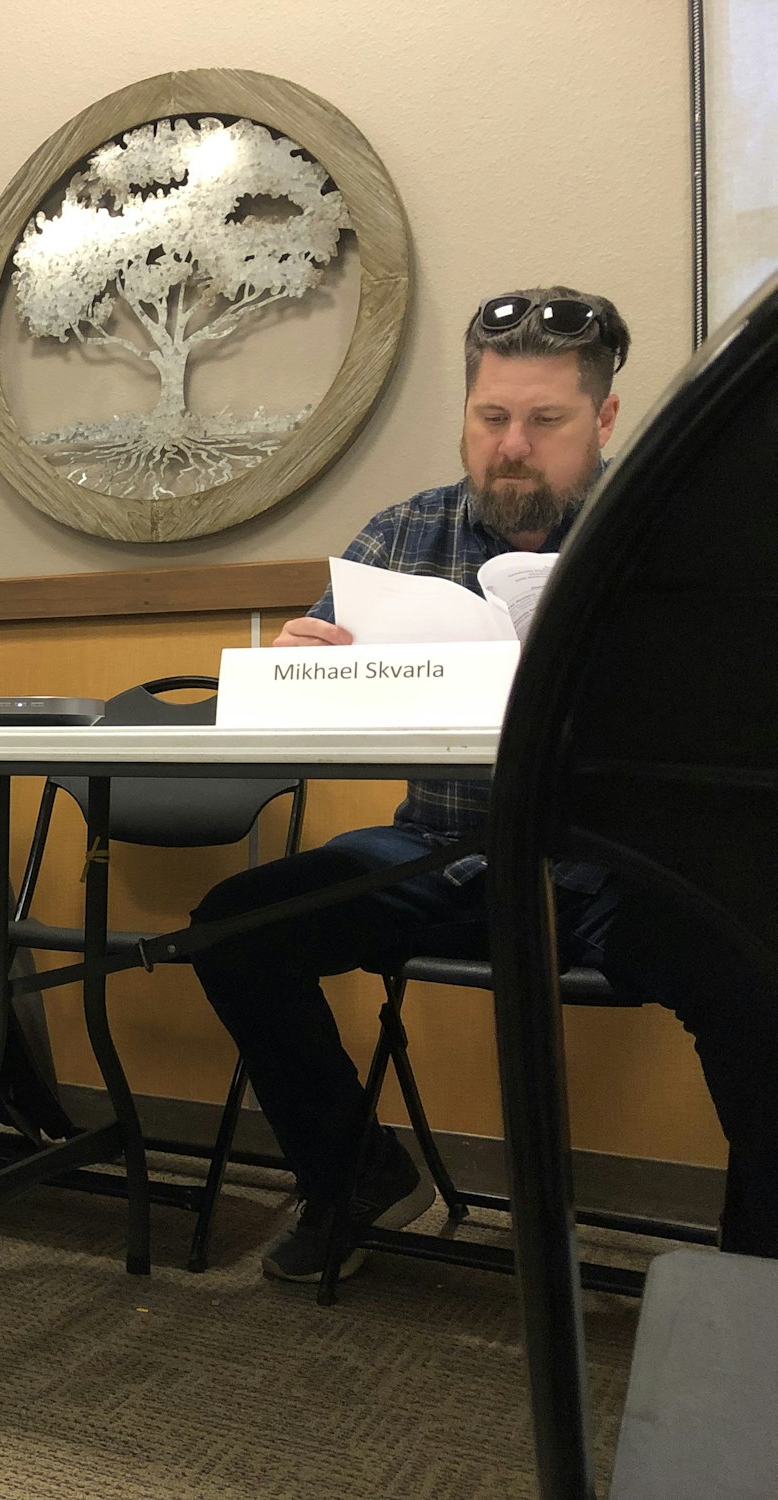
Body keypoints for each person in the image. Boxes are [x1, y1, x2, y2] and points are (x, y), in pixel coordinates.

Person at [189, 286, 778, 1280]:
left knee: (751, 970)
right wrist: (304, 663)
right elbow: (306, 719)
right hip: (438, 850)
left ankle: (750, 1282)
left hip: (610, 870)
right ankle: (351, 1174)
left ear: (600, 421)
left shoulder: (668, 539)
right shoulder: (401, 535)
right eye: (489, 418)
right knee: (232, 928)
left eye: (542, 421)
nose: (511, 444)